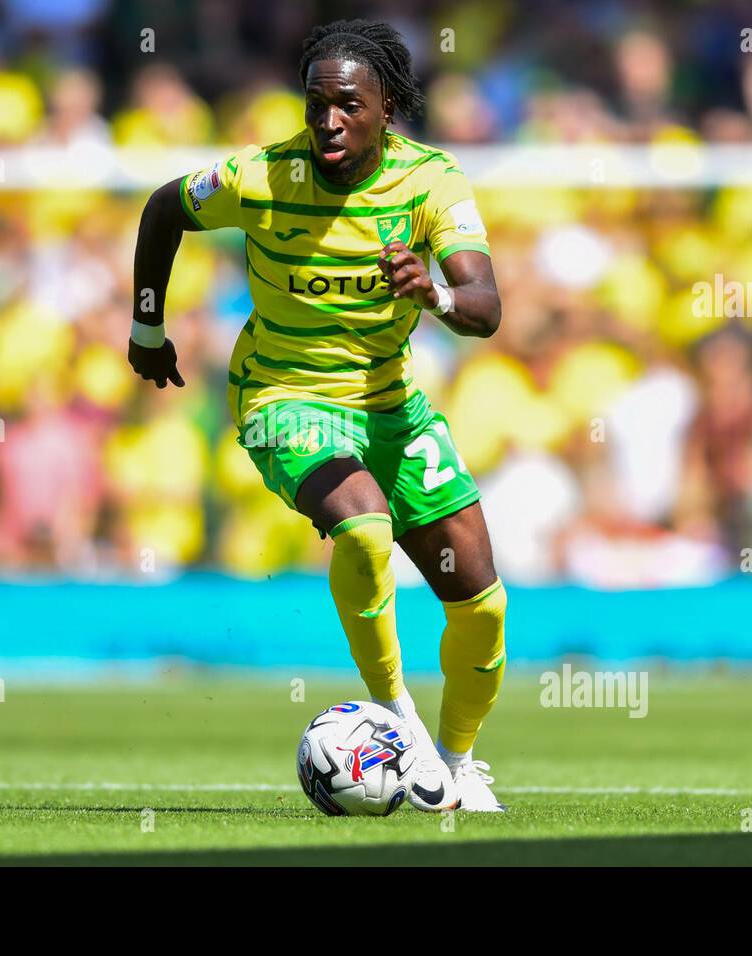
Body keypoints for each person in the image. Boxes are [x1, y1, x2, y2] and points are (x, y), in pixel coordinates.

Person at [128, 20, 506, 811]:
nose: (328, 122)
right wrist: (147, 327)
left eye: (347, 106)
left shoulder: (431, 183)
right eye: (315, 106)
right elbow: (165, 208)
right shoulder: (261, 177)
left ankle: (458, 761)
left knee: (480, 604)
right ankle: (398, 726)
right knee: (363, 527)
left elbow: (484, 306)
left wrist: (430, 291)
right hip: (282, 396)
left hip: (390, 406)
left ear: (388, 107)